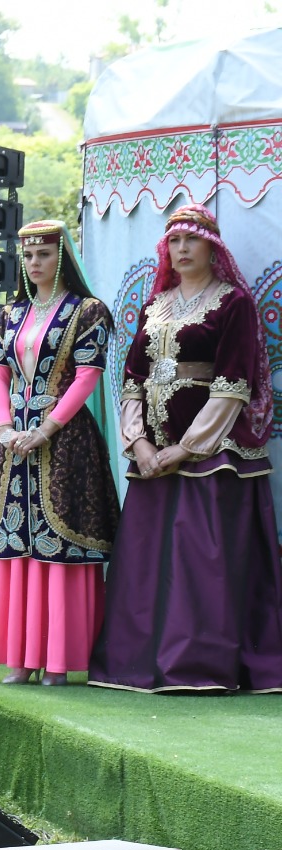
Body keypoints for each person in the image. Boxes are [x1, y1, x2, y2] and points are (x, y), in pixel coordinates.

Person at [90, 205, 282, 692]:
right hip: (152, 457)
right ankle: (140, 663)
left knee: (203, 565)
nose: (181, 249)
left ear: (211, 248)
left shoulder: (232, 302)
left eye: (191, 241)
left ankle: (199, 665)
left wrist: (188, 448)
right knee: (147, 566)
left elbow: (234, 381)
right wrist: (138, 443)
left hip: (214, 458)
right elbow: (132, 378)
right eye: (173, 241)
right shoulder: (157, 305)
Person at [0, 220, 119, 685]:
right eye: (28, 257)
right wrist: (3, 427)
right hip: (15, 439)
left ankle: (57, 659)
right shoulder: (12, 312)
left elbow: (87, 377)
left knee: (61, 541)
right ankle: (21, 655)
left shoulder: (89, 310)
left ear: (63, 258)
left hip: (67, 439)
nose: (35, 264)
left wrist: (48, 428)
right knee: (17, 542)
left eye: (44, 255)